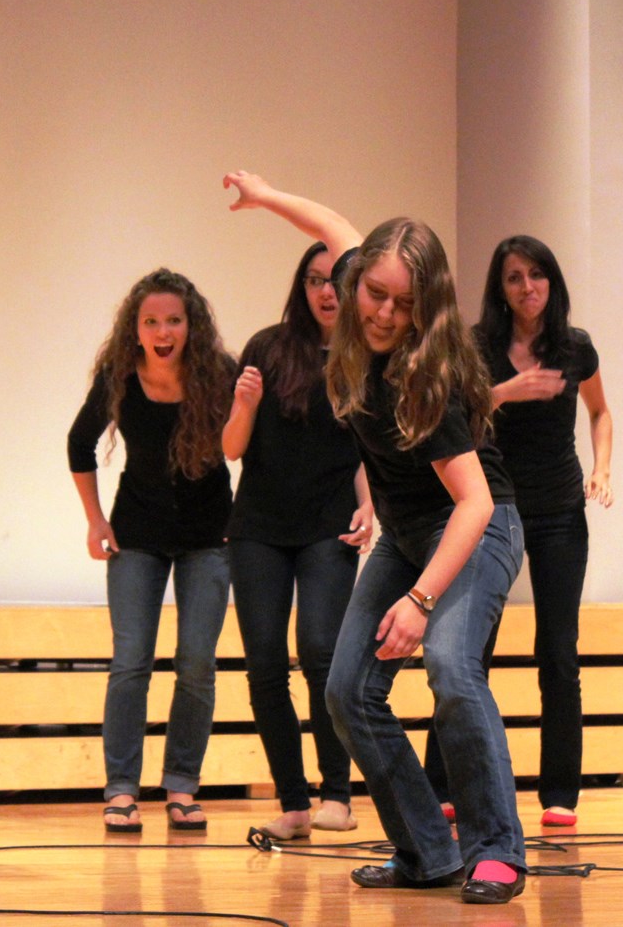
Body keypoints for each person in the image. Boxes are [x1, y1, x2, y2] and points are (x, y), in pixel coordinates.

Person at [224, 171, 527, 905]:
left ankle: (496, 850)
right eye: (374, 293)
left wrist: (420, 601)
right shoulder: (355, 291)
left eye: (404, 302)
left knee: (452, 667)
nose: (384, 312)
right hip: (406, 531)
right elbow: (332, 224)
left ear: (426, 307)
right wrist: (264, 196)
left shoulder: (427, 378)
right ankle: (426, 851)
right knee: (348, 690)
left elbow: (475, 501)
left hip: (475, 528)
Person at [67, 269, 237, 833]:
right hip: (136, 532)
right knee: (131, 661)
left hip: (208, 535)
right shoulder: (119, 376)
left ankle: (182, 785)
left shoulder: (219, 375)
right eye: (151, 321)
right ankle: (121, 789)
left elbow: (253, 446)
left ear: (192, 325)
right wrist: (95, 520)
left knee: (197, 663)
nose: (163, 332)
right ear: (135, 329)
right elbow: (79, 443)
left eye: (174, 321)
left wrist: (246, 521)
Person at [222, 242, 373, 841]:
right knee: (264, 663)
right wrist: (244, 403)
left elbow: (364, 449)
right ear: (301, 287)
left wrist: (370, 505)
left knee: (319, 652)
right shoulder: (267, 347)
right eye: (314, 280)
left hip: (328, 524)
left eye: (334, 280)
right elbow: (232, 448)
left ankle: (337, 795)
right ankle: (293, 803)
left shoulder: (364, 357)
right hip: (258, 526)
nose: (326, 291)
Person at [473, 234, 612, 827]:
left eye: (537, 274)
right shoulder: (476, 347)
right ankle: (450, 781)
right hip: (491, 506)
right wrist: (509, 391)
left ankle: (559, 794)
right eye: (514, 277)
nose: (527, 286)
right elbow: (456, 415)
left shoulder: (574, 347)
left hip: (559, 507)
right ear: (500, 288)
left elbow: (600, 411)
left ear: (551, 281)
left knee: (558, 649)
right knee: (469, 649)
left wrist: (603, 469)